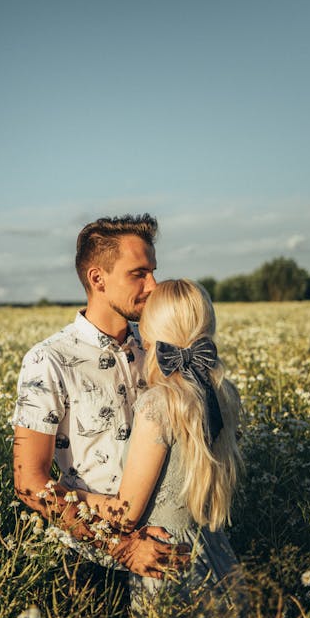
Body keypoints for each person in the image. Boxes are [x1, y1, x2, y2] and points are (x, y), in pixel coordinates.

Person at [12, 214, 190, 578]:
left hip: (169, 549)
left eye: (153, 271)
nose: (154, 285)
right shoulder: (49, 360)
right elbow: (29, 482)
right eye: (139, 273)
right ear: (98, 279)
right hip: (89, 564)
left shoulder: (160, 349)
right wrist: (121, 549)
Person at [75, 278, 245, 615]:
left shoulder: (157, 406)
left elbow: (127, 513)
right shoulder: (224, 394)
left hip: (168, 562)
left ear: (149, 336)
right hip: (220, 556)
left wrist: (71, 495)